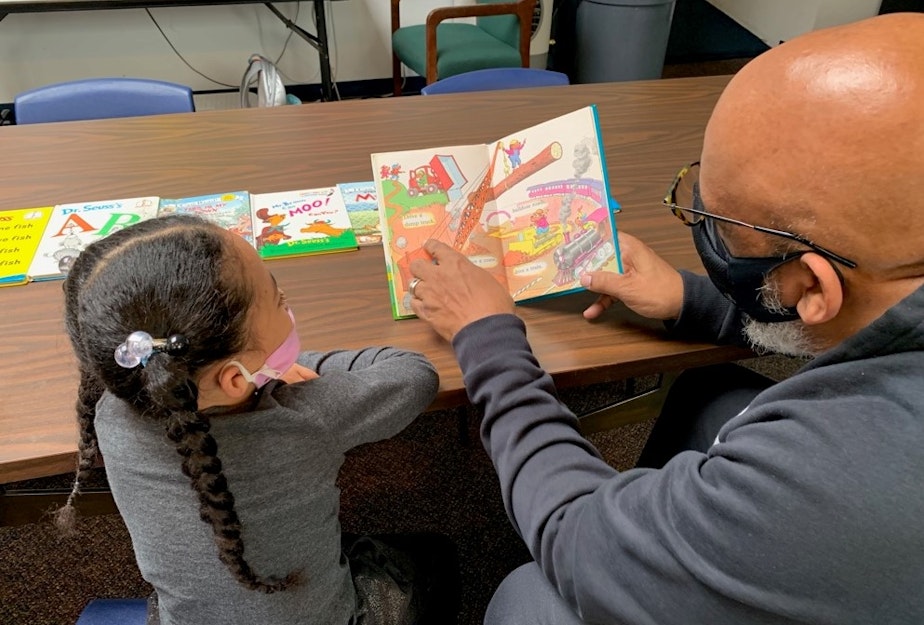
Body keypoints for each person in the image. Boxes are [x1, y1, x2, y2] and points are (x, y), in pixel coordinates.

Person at [407, 12, 924, 625]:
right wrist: (689, 299)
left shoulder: (842, 473)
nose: (702, 228)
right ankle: (667, 555)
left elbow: (574, 539)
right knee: (711, 394)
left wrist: (484, 336)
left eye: (719, 231)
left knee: (530, 596)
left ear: (812, 285)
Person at [57, 213, 449, 625]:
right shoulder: (303, 419)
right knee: (432, 557)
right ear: (232, 379)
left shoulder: (110, 414)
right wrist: (284, 366)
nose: (286, 301)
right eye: (279, 298)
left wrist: (257, 368)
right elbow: (413, 374)